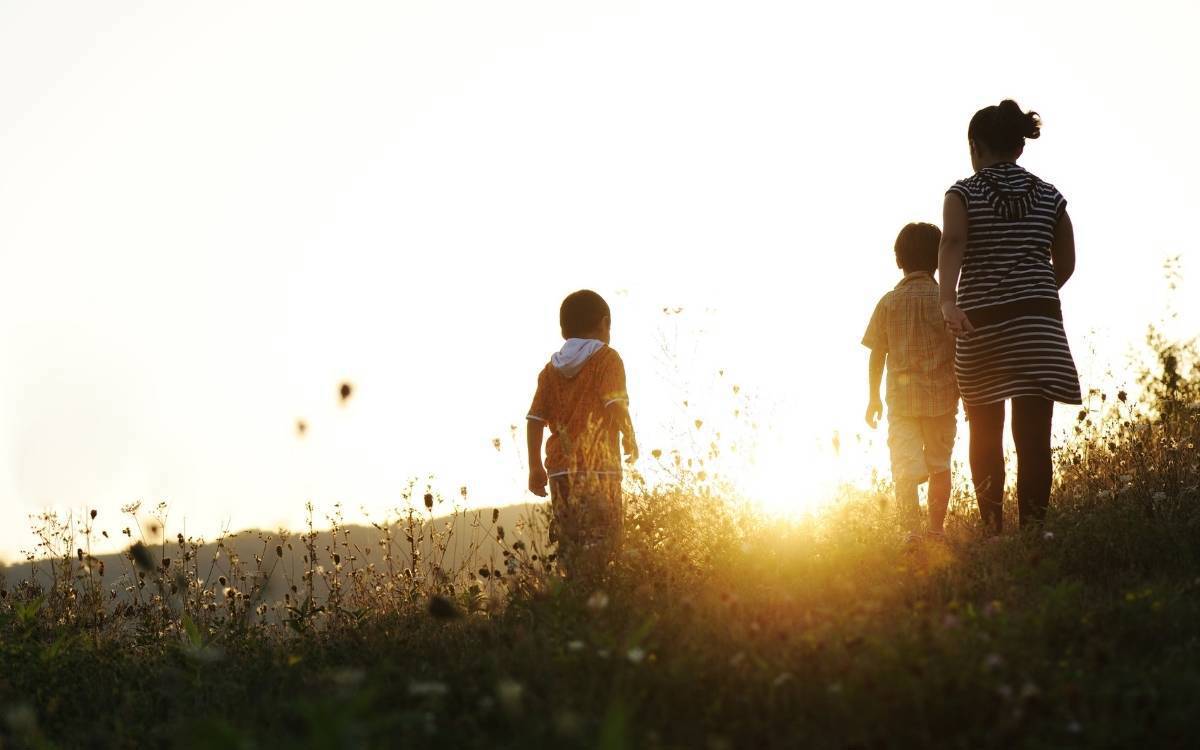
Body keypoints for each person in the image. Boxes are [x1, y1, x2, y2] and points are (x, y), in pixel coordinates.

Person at [938, 99, 1081, 533]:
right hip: (1039, 329)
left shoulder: (962, 193)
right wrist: (1034, 293)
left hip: (981, 324)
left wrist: (948, 301)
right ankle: (1035, 533)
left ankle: (993, 531)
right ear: (1018, 148)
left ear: (975, 147)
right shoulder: (1050, 196)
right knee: (1034, 438)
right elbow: (1068, 261)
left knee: (984, 430)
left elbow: (952, 244)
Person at [526, 290, 638, 576]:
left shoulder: (550, 371)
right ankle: (600, 607)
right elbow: (615, 405)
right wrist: (630, 436)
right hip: (600, 471)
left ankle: (576, 603)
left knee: (572, 547)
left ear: (564, 330)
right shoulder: (607, 359)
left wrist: (535, 467)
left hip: (561, 473)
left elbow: (535, 419)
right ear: (605, 323)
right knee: (606, 545)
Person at [863, 223, 959, 543]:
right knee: (939, 465)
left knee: (904, 468)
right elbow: (960, 350)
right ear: (939, 260)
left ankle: (911, 534)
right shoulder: (947, 302)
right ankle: (936, 530)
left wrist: (873, 397)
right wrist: (968, 395)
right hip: (943, 399)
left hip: (902, 405)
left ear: (898, 260)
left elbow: (877, 355)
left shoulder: (888, 302)